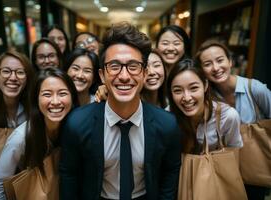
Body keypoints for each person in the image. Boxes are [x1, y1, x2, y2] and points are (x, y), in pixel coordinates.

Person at [60, 22, 181, 200]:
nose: (124, 76)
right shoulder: (77, 123)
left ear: (145, 74)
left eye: (133, 66)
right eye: (115, 66)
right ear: (102, 75)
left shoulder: (167, 124)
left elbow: (169, 176)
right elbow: (69, 177)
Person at [195, 39, 271, 200]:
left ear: (230, 61)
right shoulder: (206, 97)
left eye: (220, 60)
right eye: (207, 64)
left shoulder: (254, 88)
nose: (216, 68)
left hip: (255, 171)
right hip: (225, 171)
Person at [0, 67, 78, 200]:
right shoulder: (21, 138)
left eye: (62, 93)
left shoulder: (76, 128)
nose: (55, 101)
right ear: (36, 99)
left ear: (72, 97)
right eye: (47, 94)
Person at [167, 58, 243, 153]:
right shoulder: (167, 115)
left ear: (205, 85)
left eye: (193, 88)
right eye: (178, 90)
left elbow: (235, 152)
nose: (186, 98)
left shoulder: (228, 116)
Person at [95, 49, 168, 109]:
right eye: (146, 67)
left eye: (156, 65)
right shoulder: (126, 102)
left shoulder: (171, 100)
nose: (151, 72)